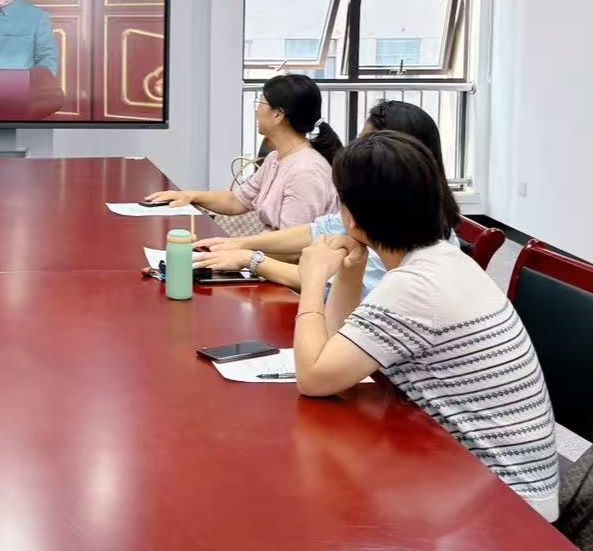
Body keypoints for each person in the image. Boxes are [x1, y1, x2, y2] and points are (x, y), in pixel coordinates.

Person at [267, 131, 560, 520]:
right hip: (483, 477)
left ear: (351, 218)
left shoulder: (413, 287)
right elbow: (335, 368)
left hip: (506, 508)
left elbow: (314, 379)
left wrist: (314, 277)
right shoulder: (443, 259)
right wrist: (350, 273)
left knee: (323, 498)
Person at [195, 99, 457, 292]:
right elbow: (317, 230)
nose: (360, 149)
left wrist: (251, 259)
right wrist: (239, 245)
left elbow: (330, 286)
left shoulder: (411, 236)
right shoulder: (384, 208)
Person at [144, 73, 341, 231]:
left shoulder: (305, 172)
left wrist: (235, 248)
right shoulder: (275, 158)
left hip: (286, 266)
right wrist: (189, 195)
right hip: (265, 257)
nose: (256, 111)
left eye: (260, 103)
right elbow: (236, 201)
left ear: (278, 114)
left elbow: (293, 246)